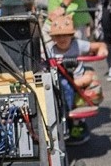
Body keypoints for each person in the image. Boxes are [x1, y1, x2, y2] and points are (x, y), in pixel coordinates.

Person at [46, 14, 107, 146]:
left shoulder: (78, 45)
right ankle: (64, 116)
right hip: (61, 81)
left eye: (65, 35)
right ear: (53, 38)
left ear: (71, 35)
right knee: (61, 84)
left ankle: (69, 116)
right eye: (58, 36)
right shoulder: (50, 50)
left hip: (78, 81)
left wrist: (102, 50)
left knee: (89, 81)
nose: (62, 39)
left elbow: (99, 45)